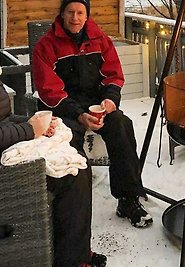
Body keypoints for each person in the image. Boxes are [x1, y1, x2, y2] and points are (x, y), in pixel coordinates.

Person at [32, 0, 153, 228]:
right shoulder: (46, 46)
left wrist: (110, 100)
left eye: (80, 13)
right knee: (69, 140)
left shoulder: (101, 40)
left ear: (87, 16)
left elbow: (113, 75)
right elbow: (48, 90)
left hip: (96, 105)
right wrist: (78, 114)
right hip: (62, 108)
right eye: (70, 12)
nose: (75, 18)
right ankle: (70, 210)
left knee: (121, 125)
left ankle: (128, 199)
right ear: (62, 14)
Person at [0, 75, 106, 266]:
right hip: (5, 169)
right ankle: (73, 260)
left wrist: (34, 122)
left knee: (77, 161)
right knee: (72, 174)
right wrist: (29, 129)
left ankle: (76, 251)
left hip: (8, 142)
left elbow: (4, 119)